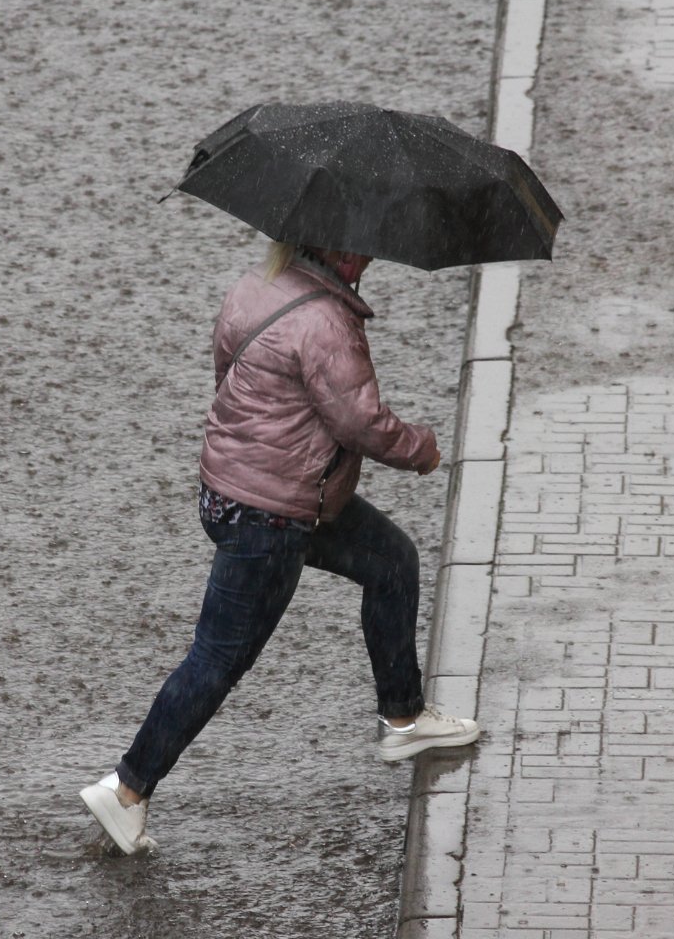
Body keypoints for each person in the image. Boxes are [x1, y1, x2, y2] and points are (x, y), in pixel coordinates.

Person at [80, 242, 480, 855]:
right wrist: (421, 448)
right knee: (216, 661)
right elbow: (360, 422)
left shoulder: (256, 285)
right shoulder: (324, 322)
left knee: (390, 560)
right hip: (270, 517)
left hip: (235, 492)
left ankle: (404, 718)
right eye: (364, 251)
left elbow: (228, 375)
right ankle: (128, 789)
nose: (371, 259)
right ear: (340, 253)